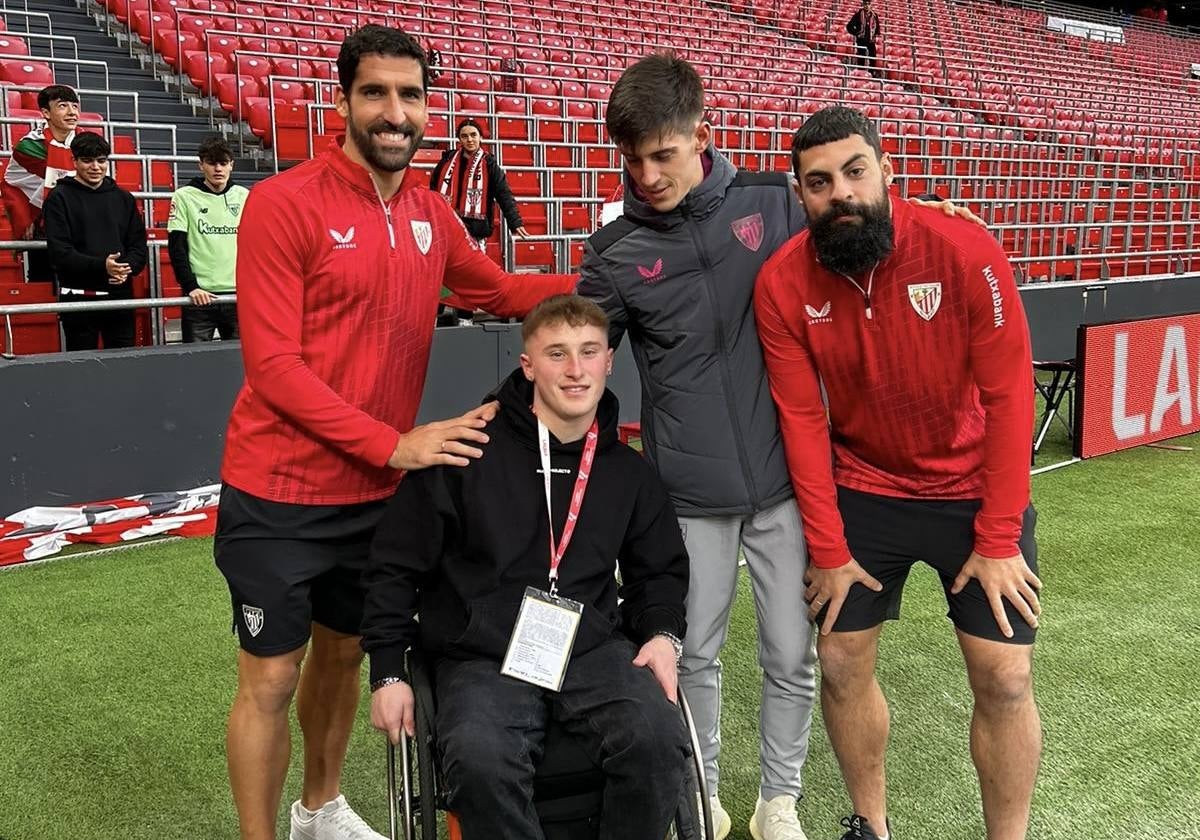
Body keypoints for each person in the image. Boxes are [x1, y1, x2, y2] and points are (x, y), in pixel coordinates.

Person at [578, 53, 981, 840]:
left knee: (794, 655)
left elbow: (865, 228)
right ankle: (699, 798)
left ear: (703, 134)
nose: (649, 174)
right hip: (686, 495)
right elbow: (578, 355)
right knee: (691, 657)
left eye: (663, 154)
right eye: (633, 159)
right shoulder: (616, 251)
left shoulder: (777, 201)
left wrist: (937, 218)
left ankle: (780, 800)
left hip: (792, 483)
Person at [214, 25, 574, 840]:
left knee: (344, 656)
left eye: (410, 95)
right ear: (343, 100)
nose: (394, 112)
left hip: (375, 501)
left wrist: (617, 276)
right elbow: (273, 368)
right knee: (270, 679)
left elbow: (500, 291)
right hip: (282, 494)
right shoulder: (283, 203)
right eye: (375, 93)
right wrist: (394, 444)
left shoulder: (430, 211)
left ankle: (319, 808)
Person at [753, 106, 1041, 840]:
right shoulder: (783, 283)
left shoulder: (965, 247)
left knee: (1004, 677)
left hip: (973, 491)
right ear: (800, 194)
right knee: (841, 662)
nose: (840, 194)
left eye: (855, 172)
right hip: (865, 488)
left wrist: (1000, 536)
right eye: (820, 182)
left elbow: (1011, 396)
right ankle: (869, 826)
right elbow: (803, 420)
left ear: (887, 171)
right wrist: (829, 547)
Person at [363, 294, 691, 840]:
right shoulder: (464, 452)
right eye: (556, 354)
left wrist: (661, 636)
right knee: (480, 759)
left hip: (589, 647)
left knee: (659, 741)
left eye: (589, 352)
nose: (575, 369)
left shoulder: (627, 472)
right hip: (480, 656)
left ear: (610, 361)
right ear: (528, 364)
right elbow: (394, 566)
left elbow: (659, 571)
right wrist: (388, 670)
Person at [42, 133, 147, 351]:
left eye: (101, 160)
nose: (95, 167)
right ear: (75, 162)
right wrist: (103, 266)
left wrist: (126, 268)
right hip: (78, 299)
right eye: (87, 160)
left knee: (123, 363)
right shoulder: (58, 198)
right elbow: (60, 253)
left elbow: (138, 246)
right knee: (82, 368)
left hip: (120, 299)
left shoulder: (124, 198)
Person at [167, 134, 248, 342]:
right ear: (201, 165)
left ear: (232, 165)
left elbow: (255, 247)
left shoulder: (244, 196)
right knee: (195, 366)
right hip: (199, 298)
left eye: (223, 163)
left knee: (239, 365)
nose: (218, 169)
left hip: (238, 296)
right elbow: (177, 248)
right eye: (212, 163)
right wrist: (191, 287)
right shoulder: (184, 196)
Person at [1, 84, 80, 282]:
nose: (72, 112)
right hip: (43, 224)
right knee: (44, 278)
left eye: (75, 106)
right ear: (45, 112)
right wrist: (25, 217)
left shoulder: (86, 143)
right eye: (63, 106)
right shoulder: (28, 146)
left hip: (80, 221)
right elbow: (14, 183)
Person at [429, 117, 529, 247]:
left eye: (473, 135)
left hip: (474, 230)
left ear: (480, 137)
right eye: (464, 136)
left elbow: (503, 194)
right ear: (459, 139)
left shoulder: (489, 164)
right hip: (446, 226)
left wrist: (515, 222)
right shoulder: (447, 160)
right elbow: (433, 190)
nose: (469, 140)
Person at [846, 0, 882, 76]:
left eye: (868, 4)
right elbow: (849, 26)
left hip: (870, 40)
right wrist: (857, 33)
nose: (867, 5)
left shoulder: (874, 15)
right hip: (861, 40)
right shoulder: (858, 14)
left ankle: (872, 73)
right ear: (863, 4)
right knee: (861, 57)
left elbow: (877, 27)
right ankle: (861, 73)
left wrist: (875, 34)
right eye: (865, 4)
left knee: (873, 56)